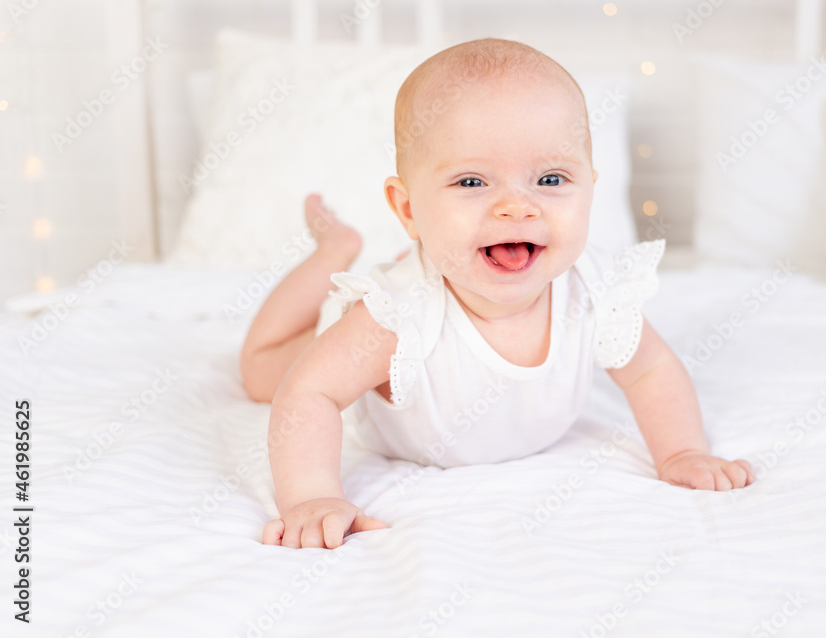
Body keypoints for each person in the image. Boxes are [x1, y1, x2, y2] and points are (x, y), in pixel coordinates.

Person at [240, 38, 754, 550]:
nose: (516, 208)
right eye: (472, 182)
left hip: (439, 260)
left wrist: (683, 451)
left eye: (550, 178)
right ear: (409, 209)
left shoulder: (596, 293)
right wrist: (311, 497)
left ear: (591, 189)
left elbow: (650, 370)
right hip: (383, 312)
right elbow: (310, 393)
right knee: (263, 371)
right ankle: (334, 251)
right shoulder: (395, 319)